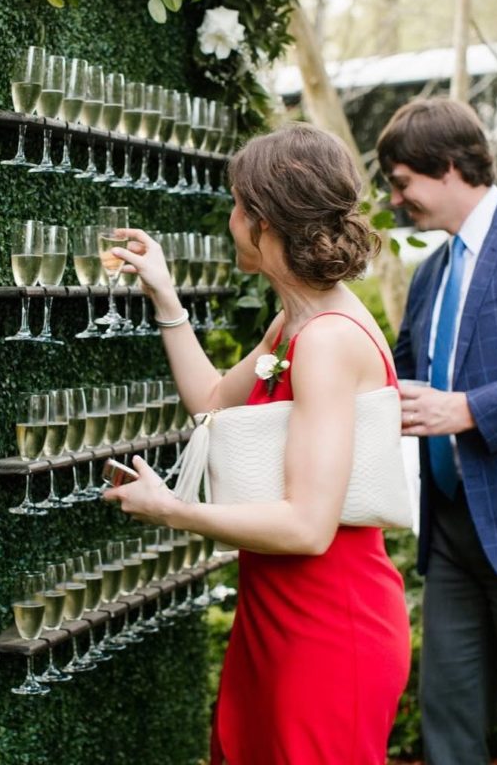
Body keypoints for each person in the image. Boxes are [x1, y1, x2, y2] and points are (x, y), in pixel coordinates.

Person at [104, 122, 411, 765]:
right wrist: (165, 295)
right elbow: (213, 402)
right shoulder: (295, 320)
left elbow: (307, 527)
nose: (232, 217)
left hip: (329, 627)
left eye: (239, 204)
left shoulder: (326, 340)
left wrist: (172, 510)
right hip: (271, 612)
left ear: (265, 222)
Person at [377, 97, 497, 765]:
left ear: (445, 167)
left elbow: (459, 401)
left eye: (400, 183)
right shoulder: (428, 275)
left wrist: (470, 408)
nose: (394, 202)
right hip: (447, 535)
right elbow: (398, 378)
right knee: (445, 736)